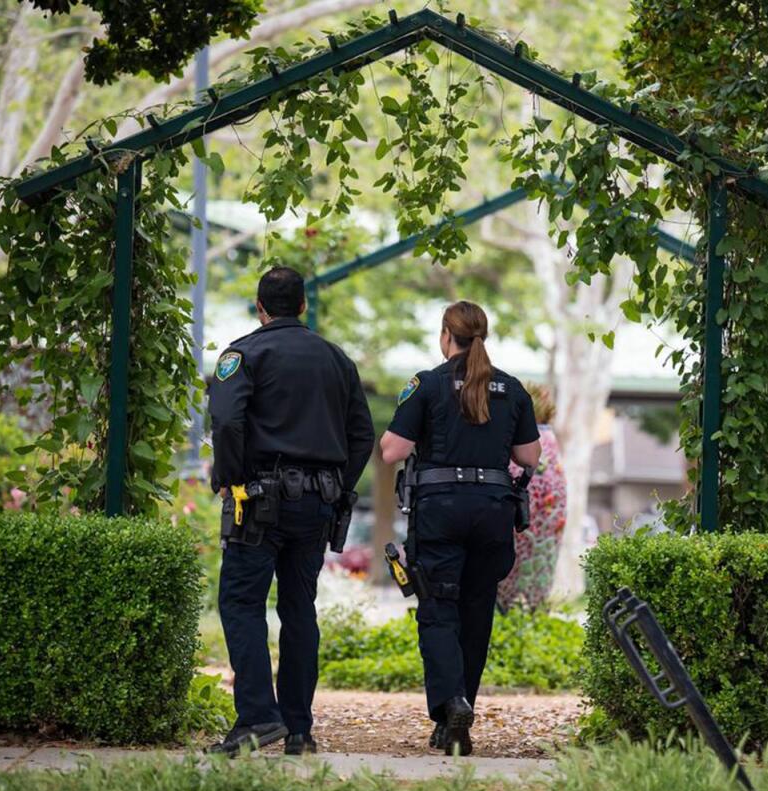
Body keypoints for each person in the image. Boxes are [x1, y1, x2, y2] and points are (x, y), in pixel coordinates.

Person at [207, 266, 374, 757]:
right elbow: (362, 434)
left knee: (241, 602)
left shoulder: (244, 354)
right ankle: (298, 728)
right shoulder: (337, 360)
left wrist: (234, 479)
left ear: (260, 308)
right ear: (303, 306)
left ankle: (258, 717)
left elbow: (226, 420)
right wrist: (336, 486)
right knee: (300, 607)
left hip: (257, 501)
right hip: (316, 504)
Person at [379, 300, 542, 756]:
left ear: (446, 336)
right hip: (493, 513)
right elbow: (529, 457)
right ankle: (457, 724)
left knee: (436, 609)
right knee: (475, 614)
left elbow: (391, 451)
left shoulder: (427, 384)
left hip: (440, 513)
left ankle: (452, 702)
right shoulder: (511, 389)